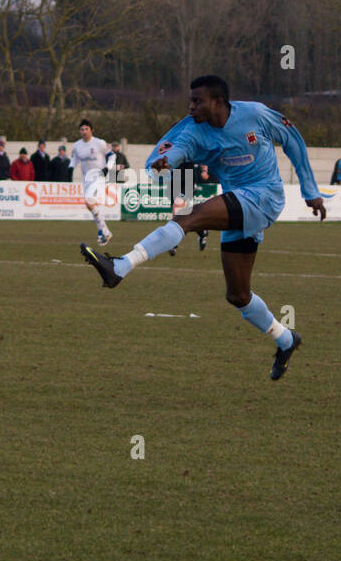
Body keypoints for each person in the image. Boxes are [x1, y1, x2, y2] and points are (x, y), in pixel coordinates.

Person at [81, 76, 322, 381]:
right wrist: (166, 163)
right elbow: (175, 151)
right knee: (238, 295)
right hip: (238, 203)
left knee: (188, 217)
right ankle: (286, 340)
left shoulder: (256, 114)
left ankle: (119, 267)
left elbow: (292, 138)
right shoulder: (193, 130)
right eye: (190, 100)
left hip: (265, 196)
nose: (191, 106)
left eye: (197, 101)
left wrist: (310, 190)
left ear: (218, 102)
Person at [70, 119, 116, 246]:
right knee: (90, 205)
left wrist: (108, 167)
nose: (84, 132)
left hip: (99, 177)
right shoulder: (77, 146)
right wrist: (70, 169)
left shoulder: (100, 143)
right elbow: (74, 159)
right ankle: (104, 231)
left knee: (89, 202)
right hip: (86, 179)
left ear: (92, 130)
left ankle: (104, 231)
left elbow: (112, 155)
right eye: (81, 129)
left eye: (86, 129)